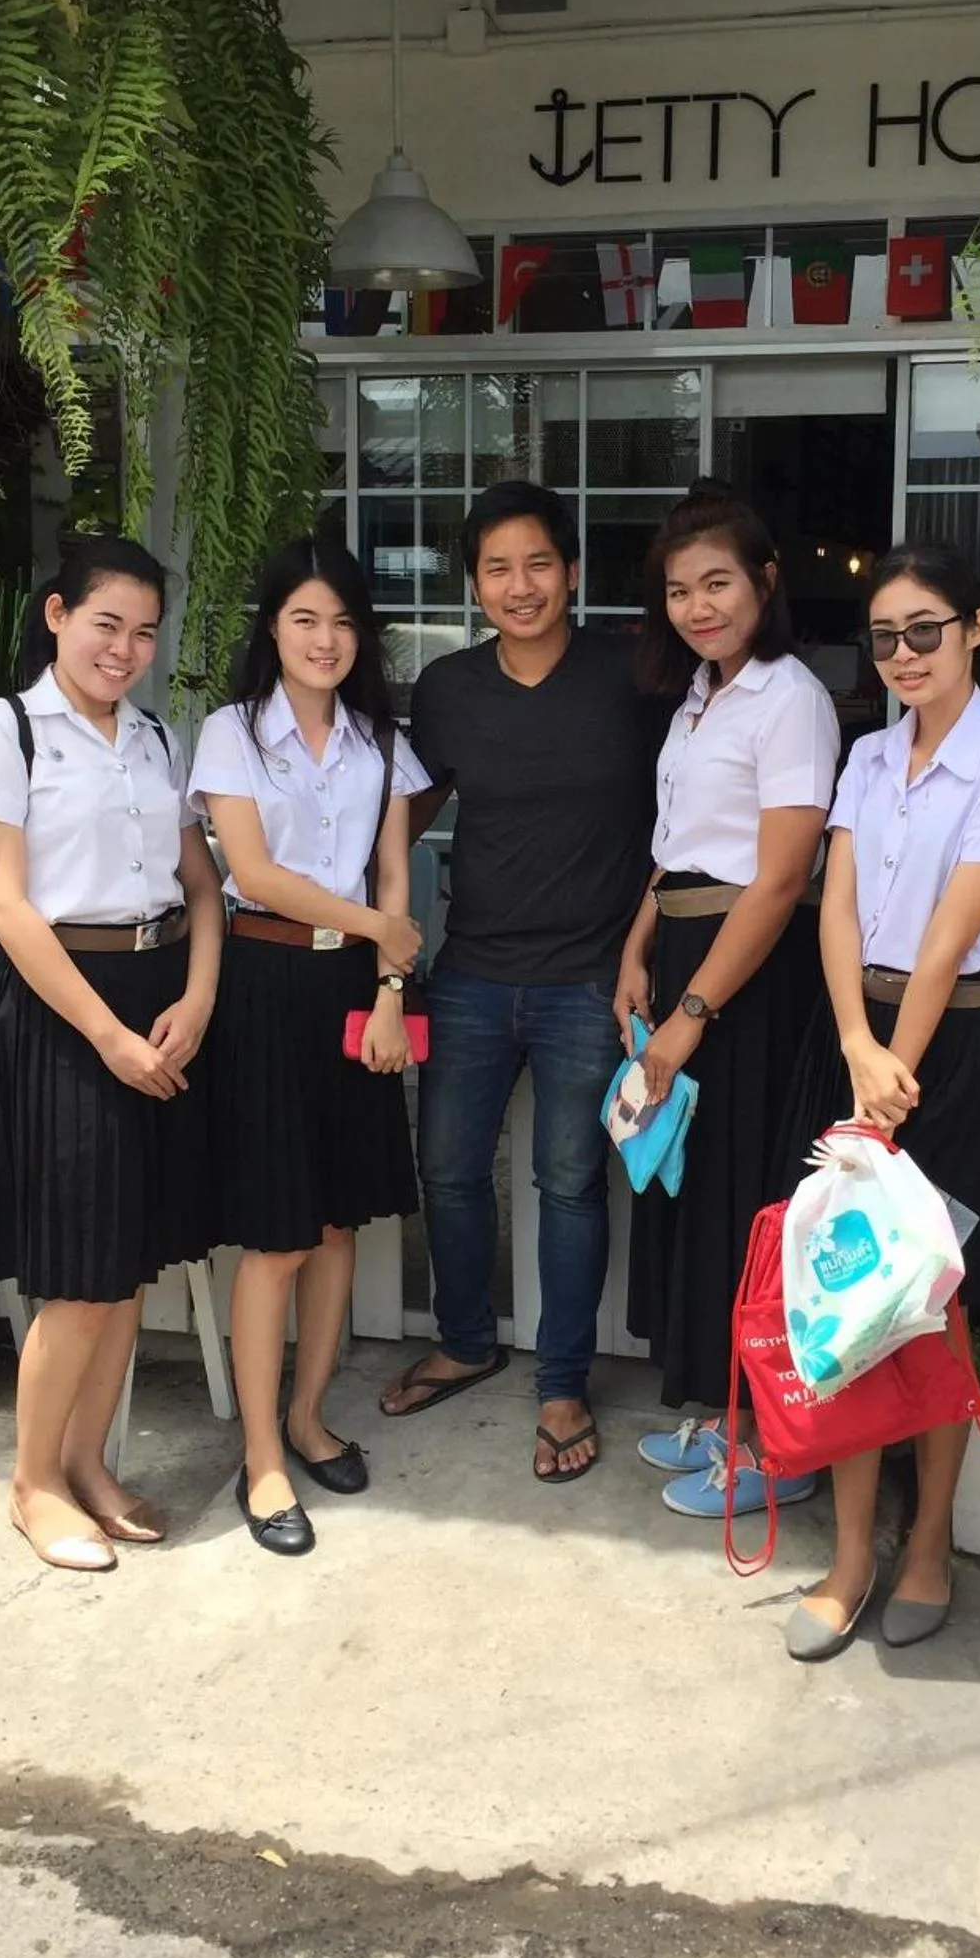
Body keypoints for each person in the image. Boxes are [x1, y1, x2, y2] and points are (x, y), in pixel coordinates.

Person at [778, 542, 980, 1662]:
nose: (903, 655)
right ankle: (850, 1554)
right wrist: (854, 1044)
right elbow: (836, 907)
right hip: (851, 1046)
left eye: (924, 629)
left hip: (950, 1053)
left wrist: (893, 1071)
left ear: (975, 626)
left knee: (938, 1315)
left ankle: (929, 1539)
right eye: (884, 636)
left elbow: (947, 940)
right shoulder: (864, 758)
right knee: (844, 1306)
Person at [0, 538, 224, 1574]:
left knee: (129, 1260)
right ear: (57, 613)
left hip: (158, 998)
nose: (127, 648)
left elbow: (200, 883)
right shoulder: (5, 730)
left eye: (146, 631)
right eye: (108, 623)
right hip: (66, 1010)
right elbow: (5, 903)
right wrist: (103, 1032)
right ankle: (32, 1482)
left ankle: (89, 1464)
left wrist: (195, 996)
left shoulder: (154, 736)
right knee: (81, 1271)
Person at [378, 480, 663, 1482]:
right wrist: (338, 891)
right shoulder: (450, 688)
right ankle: (465, 1337)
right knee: (449, 1167)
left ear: (572, 570)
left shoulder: (633, 672)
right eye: (497, 568)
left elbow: (687, 809)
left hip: (589, 978)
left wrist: (644, 943)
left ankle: (562, 1381)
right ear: (473, 583)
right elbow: (402, 814)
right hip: (473, 971)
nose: (520, 585)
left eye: (538, 562)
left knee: (570, 1183)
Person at [190, 535, 427, 1557]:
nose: (325, 639)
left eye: (341, 621)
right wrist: (381, 933)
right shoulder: (232, 734)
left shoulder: (382, 739)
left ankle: (307, 1413)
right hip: (265, 979)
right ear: (272, 628)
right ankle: (261, 1456)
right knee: (278, 1230)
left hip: (351, 987)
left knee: (338, 1223)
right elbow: (252, 868)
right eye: (303, 618)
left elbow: (394, 875)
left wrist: (386, 988)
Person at [618, 482, 838, 1521]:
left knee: (754, 1200)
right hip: (686, 948)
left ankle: (779, 1444)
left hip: (750, 972)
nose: (698, 605)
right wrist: (637, 948)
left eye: (717, 583)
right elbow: (678, 852)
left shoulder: (788, 695)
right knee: (699, 1195)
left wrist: (690, 1013)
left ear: (765, 581)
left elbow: (781, 874)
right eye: (678, 590)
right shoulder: (702, 694)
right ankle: (725, 1411)